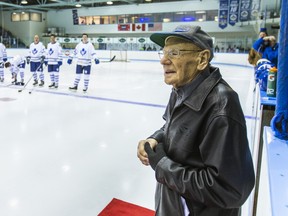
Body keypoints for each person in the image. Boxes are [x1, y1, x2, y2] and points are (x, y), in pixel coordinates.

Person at [137, 25, 255, 216]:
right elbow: (174, 126)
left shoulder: (221, 105)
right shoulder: (181, 88)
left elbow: (230, 190)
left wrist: (162, 166)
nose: (164, 61)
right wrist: (156, 138)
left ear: (201, 59)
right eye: (164, 53)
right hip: (173, 206)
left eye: (174, 53)